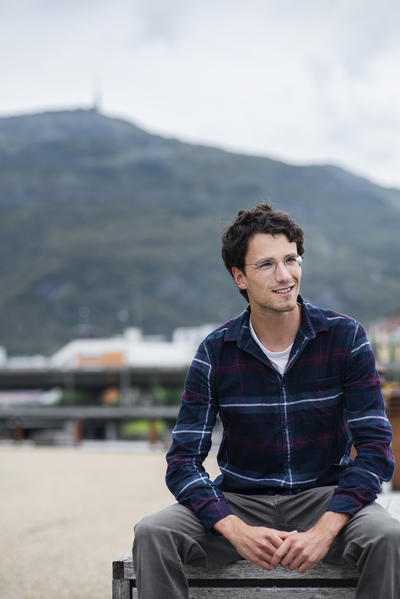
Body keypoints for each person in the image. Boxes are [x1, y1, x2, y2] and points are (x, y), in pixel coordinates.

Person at [133, 203, 400, 599]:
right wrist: (232, 527)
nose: (284, 276)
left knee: (388, 536)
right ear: (239, 277)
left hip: (325, 496)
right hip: (240, 501)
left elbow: (376, 451)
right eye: (266, 265)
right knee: (153, 533)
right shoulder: (215, 351)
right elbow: (183, 461)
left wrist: (325, 530)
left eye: (291, 259)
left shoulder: (346, 337)